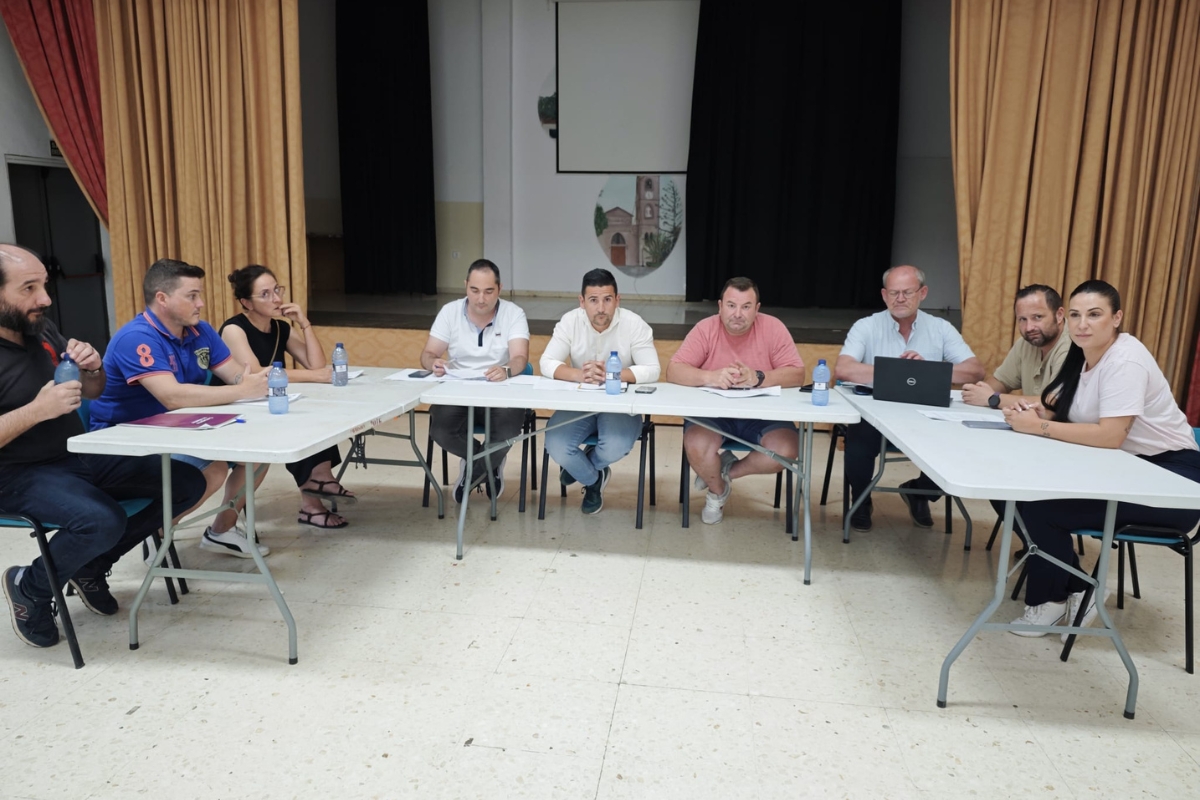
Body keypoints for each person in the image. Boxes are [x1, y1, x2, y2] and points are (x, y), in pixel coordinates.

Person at [0, 244, 205, 648]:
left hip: (72, 455)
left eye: (44, 285)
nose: (45, 298)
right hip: (14, 474)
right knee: (101, 520)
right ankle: (30, 587)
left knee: (183, 483)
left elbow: (92, 390)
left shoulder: (39, 328)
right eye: (29, 288)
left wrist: (93, 368)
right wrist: (36, 411)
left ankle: (91, 565)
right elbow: (40, 408)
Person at [1003, 280, 1200, 639]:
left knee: (1037, 507)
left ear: (1116, 318)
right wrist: (1037, 414)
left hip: (1173, 485)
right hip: (1127, 471)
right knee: (1009, 494)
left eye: (1094, 315)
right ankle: (1080, 588)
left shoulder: (1126, 360)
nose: (1082, 324)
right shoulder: (1083, 353)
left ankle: (1052, 601)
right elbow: (1064, 409)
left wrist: (1038, 428)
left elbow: (1110, 436)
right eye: (1076, 315)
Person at [88, 259, 272, 558]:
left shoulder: (200, 331)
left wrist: (258, 382)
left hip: (180, 429)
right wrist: (242, 389)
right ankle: (154, 533)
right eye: (192, 296)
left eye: (200, 295)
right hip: (126, 443)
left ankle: (221, 531)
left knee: (259, 455)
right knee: (212, 469)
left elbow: (236, 375)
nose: (201, 303)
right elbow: (171, 397)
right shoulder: (137, 338)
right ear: (162, 298)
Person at [836, 265, 985, 532]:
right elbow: (844, 369)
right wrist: (897, 371)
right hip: (878, 415)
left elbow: (975, 371)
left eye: (907, 292)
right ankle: (860, 500)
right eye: (894, 293)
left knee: (959, 443)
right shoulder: (866, 326)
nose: (900, 299)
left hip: (927, 416)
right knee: (858, 440)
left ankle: (919, 492)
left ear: (922, 293)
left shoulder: (941, 328)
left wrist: (927, 370)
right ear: (884, 295)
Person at [218, 264, 354, 529]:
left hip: (266, 402)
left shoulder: (280, 328)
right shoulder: (234, 329)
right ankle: (314, 498)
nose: (277, 299)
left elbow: (315, 364)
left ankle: (319, 486)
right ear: (246, 303)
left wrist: (304, 323)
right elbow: (257, 374)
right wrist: (314, 377)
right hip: (236, 406)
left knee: (310, 416)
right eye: (265, 294)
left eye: (277, 290)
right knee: (293, 424)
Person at [665, 277, 805, 524]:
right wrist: (710, 376)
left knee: (786, 451)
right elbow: (674, 370)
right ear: (720, 306)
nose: (738, 314)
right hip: (713, 413)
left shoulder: (773, 328)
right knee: (696, 444)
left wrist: (759, 377)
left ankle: (725, 471)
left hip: (763, 415)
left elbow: (797, 374)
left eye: (746, 307)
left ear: (757, 309)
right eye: (731, 306)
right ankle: (717, 492)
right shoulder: (706, 328)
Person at [540, 269, 660, 515]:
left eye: (607, 299)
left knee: (615, 445)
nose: (601, 308)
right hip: (580, 401)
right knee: (557, 445)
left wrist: (613, 374)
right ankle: (594, 479)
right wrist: (579, 374)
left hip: (620, 403)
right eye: (593, 300)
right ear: (582, 301)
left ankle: (582, 468)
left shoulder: (634, 324)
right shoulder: (570, 322)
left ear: (617, 299)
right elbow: (546, 362)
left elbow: (652, 369)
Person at [420, 259, 530, 502]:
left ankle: (474, 471)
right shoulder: (450, 312)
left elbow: (520, 358)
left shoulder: (513, 313)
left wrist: (506, 370)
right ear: (466, 286)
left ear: (499, 289)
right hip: (458, 390)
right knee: (441, 431)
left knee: (509, 431)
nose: (481, 299)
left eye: (489, 291)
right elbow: (428, 354)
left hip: (500, 390)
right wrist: (433, 363)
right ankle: (491, 463)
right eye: (475, 290)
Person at [961, 284, 1070, 409]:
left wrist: (993, 398)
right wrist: (977, 392)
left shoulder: (1073, 346)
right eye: (1022, 319)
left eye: (1037, 317)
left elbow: (1054, 403)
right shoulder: (1027, 343)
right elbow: (1002, 381)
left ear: (1059, 315)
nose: (1029, 328)